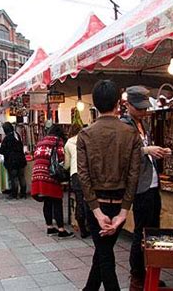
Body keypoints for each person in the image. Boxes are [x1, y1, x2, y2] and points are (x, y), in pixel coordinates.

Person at [77, 79, 142, 291]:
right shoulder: (131, 133)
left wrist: (96, 212)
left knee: (104, 257)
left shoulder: (85, 134)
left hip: (96, 204)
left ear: (95, 105)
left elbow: (83, 176)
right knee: (104, 255)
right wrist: (123, 213)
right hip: (118, 206)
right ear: (117, 103)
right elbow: (134, 175)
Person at [121, 86, 171, 290]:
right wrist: (145, 150)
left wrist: (158, 152)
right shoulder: (124, 125)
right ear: (127, 105)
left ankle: (151, 272)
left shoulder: (142, 123)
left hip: (152, 183)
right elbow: (123, 152)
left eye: (144, 108)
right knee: (141, 232)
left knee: (153, 232)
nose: (143, 111)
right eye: (139, 108)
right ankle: (137, 276)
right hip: (140, 187)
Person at [31, 124, 73, 239]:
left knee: (47, 201)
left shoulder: (41, 141)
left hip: (38, 173)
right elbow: (60, 158)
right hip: (50, 174)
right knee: (57, 200)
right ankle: (61, 230)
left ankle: (50, 227)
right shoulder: (57, 141)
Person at [64, 123, 89, 238]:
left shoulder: (68, 143)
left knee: (79, 200)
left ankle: (82, 229)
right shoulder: (87, 139)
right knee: (90, 199)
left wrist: (64, 168)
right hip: (88, 172)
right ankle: (91, 224)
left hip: (75, 173)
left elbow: (67, 163)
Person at [0, 122, 27, 199]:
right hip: (21, 159)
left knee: (14, 178)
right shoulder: (17, 135)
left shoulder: (7, 138)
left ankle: (14, 194)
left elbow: (3, 150)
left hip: (12, 161)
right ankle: (23, 193)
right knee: (21, 177)